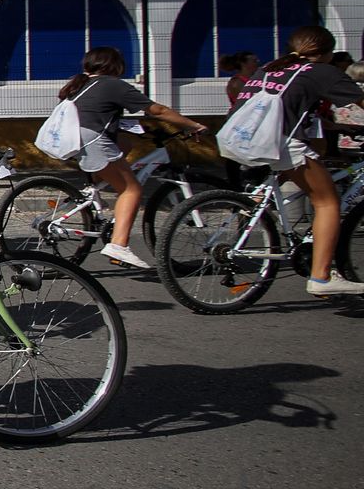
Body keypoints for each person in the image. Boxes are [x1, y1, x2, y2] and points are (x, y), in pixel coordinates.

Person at [229, 26, 364, 295]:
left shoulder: (271, 67)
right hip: (282, 142)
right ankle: (321, 277)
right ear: (327, 52)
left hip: (241, 138)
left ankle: (253, 203)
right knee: (327, 203)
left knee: (296, 176)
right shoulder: (322, 71)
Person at [56, 46, 208, 268]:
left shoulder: (80, 85)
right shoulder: (112, 85)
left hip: (70, 140)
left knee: (125, 144)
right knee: (131, 189)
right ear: (116, 66)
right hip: (92, 141)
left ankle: (94, 188)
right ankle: (118, 245)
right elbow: (158, 111)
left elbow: (98, 115)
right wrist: (193, 125)